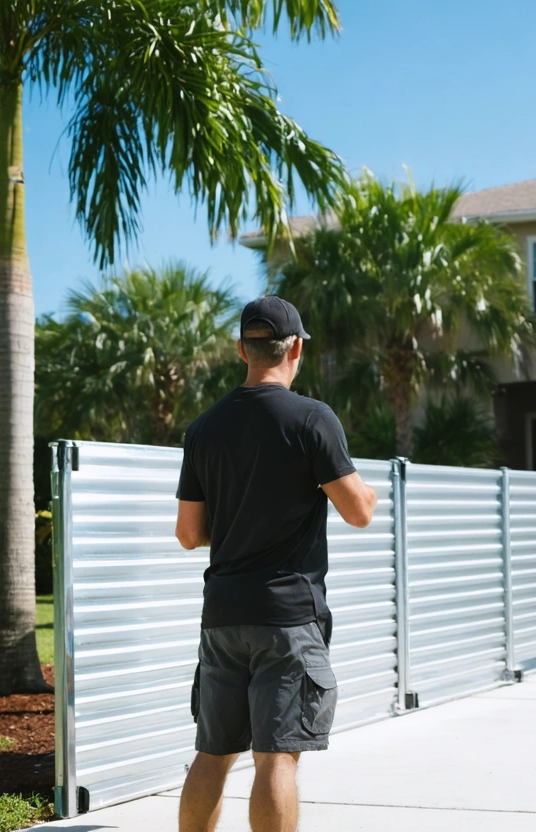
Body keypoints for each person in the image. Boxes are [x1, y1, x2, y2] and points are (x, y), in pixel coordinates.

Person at [173, 295, 378, 832]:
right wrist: (369, 494)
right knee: (277, 756)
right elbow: (358, 512)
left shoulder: (204, 428)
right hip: (287, 617)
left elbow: (189, 533)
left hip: (222, 614)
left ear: (243, 349)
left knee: (213, 752)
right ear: (298, 349)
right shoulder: (312, 418)